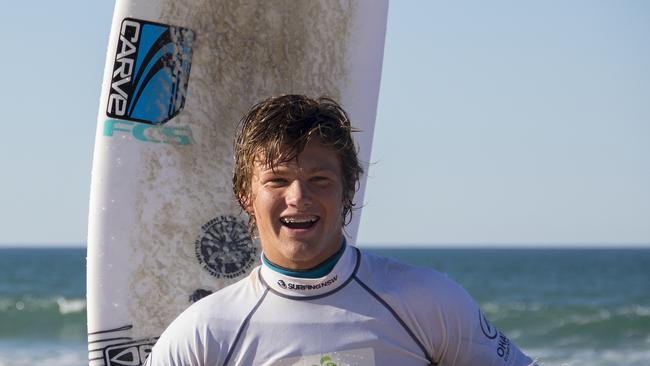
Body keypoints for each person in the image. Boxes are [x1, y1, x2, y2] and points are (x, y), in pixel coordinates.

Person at [145, 95, 537, 366]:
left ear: (348, 190)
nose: (298, 197)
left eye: (319, 179)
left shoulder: (427, 302)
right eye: (277, 181)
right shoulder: (204, 334)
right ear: (244, 195)